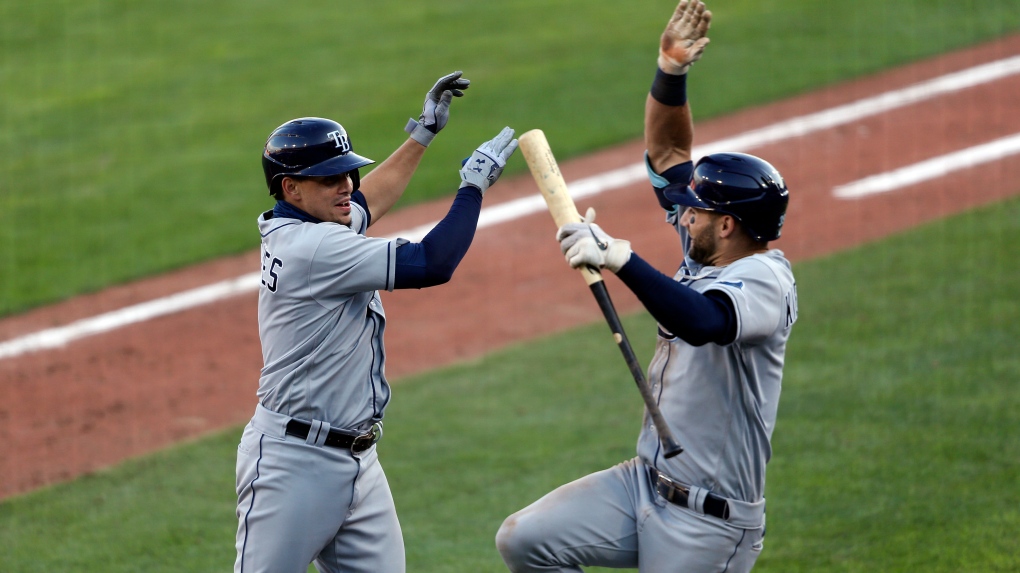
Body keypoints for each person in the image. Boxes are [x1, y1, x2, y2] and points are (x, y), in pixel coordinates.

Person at [495, 2, 797, 571]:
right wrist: (670, 70)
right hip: (644, 485)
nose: (683, 217)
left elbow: (704, 322)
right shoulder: (710, 246)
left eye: (696, 212)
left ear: (727, 224)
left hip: (709, 521)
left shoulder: (764, 281)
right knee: (526, 539)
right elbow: (669, 155)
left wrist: (620, 259)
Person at [234, 71, 518, 573]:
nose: (346, 186)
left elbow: (368, 201)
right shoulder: (314, 248)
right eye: (330, 178)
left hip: (358, 462)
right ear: (291, 187)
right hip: (293, 466)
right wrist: (471, 188)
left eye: (347, 173)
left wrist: (422, 134)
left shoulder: (313, 222)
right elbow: (433, 263)